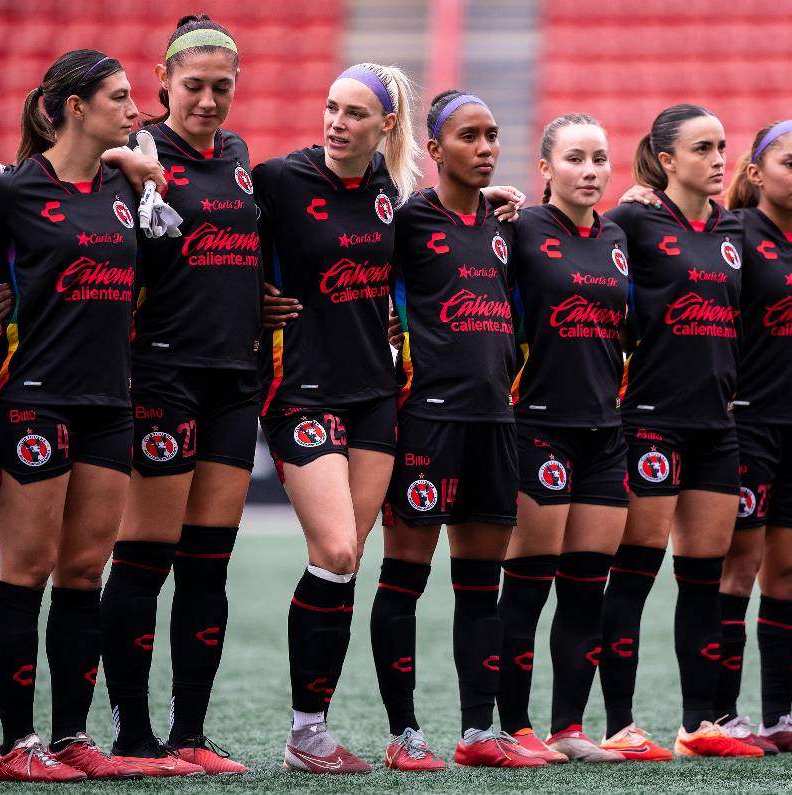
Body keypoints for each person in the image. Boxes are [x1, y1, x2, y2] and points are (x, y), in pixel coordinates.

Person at [99, 15, 259, 775]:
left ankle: (189, 733)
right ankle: (133, 738)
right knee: (144, 559)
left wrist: (267, 297)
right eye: (192, 86)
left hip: (234, 379)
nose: (207, 100)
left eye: (220, 87)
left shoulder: (237, 155)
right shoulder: (136, 157)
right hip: (162, 374)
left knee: (209, 564)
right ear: (162, 84)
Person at [251, 62, 421, 774]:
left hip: (374, 393)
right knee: (338, 551)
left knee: (344, 568)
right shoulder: (278, 179)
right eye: (330, 107)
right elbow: (218, 246)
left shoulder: (390, 193)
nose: (335, 122)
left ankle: (312, 735)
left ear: (385, 126)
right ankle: (304, 730)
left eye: (354, 113)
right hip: (301, 389)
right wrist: (251, 298)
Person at [370, 89, 544, 770]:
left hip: (496, 422)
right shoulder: (407, 222)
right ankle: (405, 733)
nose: (486, 147)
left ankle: (478, 732)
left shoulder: (507, 225)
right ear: (435, 151)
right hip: (426, 421)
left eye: (493, 135)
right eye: (469, 136)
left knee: (481, 586)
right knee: (404, 580)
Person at [0, 49, 144, 783]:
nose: (134, 109)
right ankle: (17, 745)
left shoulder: (125, 186)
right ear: (74, 106)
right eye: (119, 97)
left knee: (84, 572)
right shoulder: (11, 190)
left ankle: (73, 737)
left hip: (111, 403)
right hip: (35, 399)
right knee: (28, 570)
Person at [601, 104, 761, 760]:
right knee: (634, 574)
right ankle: (618, 725)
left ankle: (700, 724)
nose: (719, 158)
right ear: (667, 160)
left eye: (723, 146)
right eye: (703, 148)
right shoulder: (634, 220)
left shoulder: (734, 228)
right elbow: (573, 244)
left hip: (716, 426)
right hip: (650, 422)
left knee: (703, 578)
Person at [494, 113, 628, 764]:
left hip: (606, 431)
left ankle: (569, 727)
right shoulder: (520, 229)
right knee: (527, 584)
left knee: (586, 588)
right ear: (545, 168)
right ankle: (513, 726)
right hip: (538, 425)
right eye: (575, 158)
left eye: (599, 158)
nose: (590, 170)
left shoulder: (619, 236)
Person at [715, 120, 792, 754]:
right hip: (748, 423)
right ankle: (721, 715)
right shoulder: (734, 232)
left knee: (788, 574)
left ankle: (778, 717)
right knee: (739, 569)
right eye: (791, 163)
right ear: (757, 173)